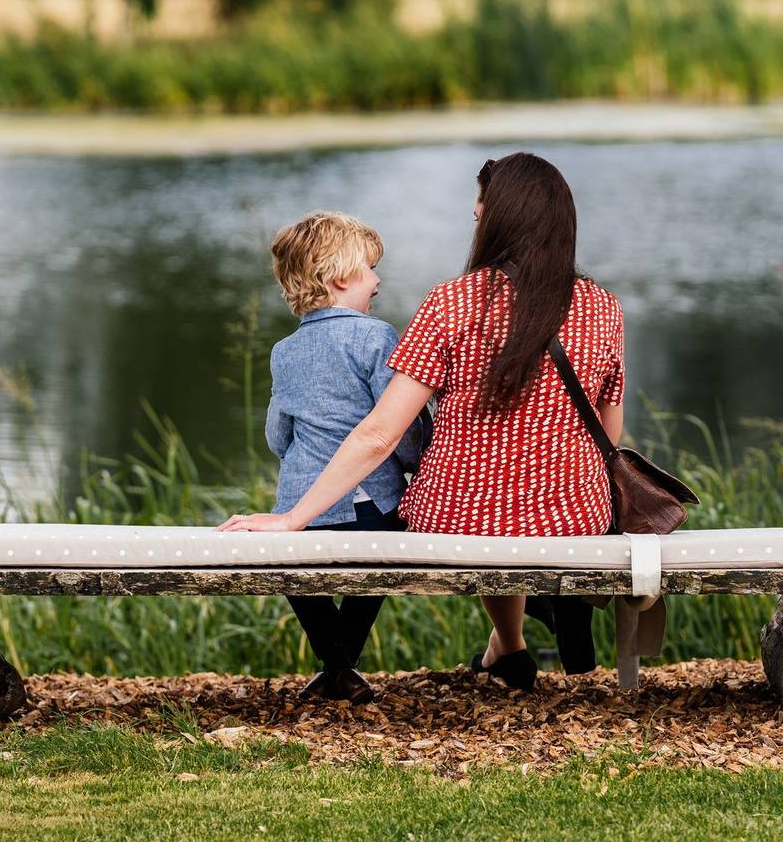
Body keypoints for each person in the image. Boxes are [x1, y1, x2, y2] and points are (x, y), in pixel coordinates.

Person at [223, 153, 624, 693]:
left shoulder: (452, 303)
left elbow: (381, 432)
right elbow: (609, 432)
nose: (476, 225)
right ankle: (510, 645)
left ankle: (507, 645)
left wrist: (295, 519)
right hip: (574, 516)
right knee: (519, 502)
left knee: (489, 500)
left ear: (500, 221)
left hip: (461, 514)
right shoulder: (603, 307)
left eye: (481, 215)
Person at [263, 211, 433, 703]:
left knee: (297, 575)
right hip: (373, 505)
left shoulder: (284, 351)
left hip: (303, 505)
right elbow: (399, 429)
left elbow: (278, 437)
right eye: (369, 269)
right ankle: (341, 667)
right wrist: (413, 460)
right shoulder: (376, 338)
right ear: (340, 278)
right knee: (376, 565)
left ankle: (335, 668)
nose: (378, 279)